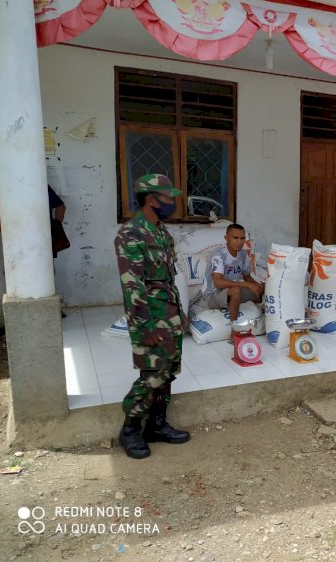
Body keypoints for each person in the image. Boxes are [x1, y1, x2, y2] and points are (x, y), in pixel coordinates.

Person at [114, 173, 190, 459]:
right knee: (151, 375)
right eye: (168, 197)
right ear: (150, 198)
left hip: (168, 313)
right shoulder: (131, 234)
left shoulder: (161, 232)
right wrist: (145, 325)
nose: (172, 202)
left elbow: (169, 279)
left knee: (168, 371)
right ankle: (131, 428)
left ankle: (156, 425)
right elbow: (131, 286)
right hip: (149, 317)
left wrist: (179, 312)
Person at [203, 223, 263, 342]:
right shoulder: (219, 255)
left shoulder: (242, 254)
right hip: (213, 295)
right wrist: (247, 285)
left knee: (264, 287)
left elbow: (247, 278)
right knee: (235, 291)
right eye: (235, 238)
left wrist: (258, 286)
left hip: (233, 290)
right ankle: (234, 332)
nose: (239, 242)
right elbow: (218, 283)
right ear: (226, 238)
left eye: (242, 238)